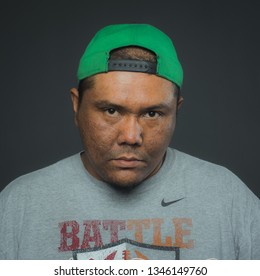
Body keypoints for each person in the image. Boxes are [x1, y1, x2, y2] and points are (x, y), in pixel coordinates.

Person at [0, 24, 259, 260]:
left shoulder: (228, 199)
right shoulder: (19, 206)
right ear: (77, 106)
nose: (131, 137)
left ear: (176, 111)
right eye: (111, 111)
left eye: (152, 114)